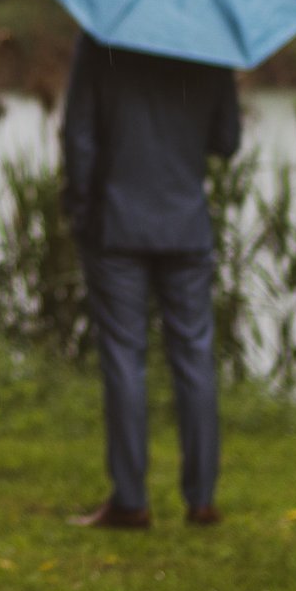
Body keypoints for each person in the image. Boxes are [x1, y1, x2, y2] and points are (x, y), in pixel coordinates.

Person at [58, 30, 241, 529]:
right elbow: (226, 141)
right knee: (196, 356)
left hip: (117, 224)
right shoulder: (210, 42)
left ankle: (131, 500)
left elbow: (78, 133)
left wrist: (80, 204)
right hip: (186, 223)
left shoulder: (103, 38)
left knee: (124, 357)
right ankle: (201, 500)